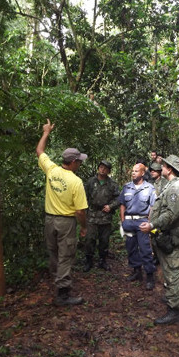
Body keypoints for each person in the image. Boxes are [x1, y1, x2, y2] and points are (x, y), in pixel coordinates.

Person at [36, 119, 88, 306]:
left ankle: (57, 282)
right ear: (73, 162)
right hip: (66, 223)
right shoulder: (76, 182)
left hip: (49, 220)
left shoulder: (51, 170)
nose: (80, 164)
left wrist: (46, 133)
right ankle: (63, 294)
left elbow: (40, 152)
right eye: (79, 162)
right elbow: (80, 211)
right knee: (66, 255)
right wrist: (83, 227)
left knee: (54, 253)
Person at [140, 155, 179, 325]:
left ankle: (175, 309)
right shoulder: (174, 185)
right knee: (172, 271)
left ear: (169, 169)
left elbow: (171, 214)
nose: (160, 168)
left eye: (163, 166)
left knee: (173, 272)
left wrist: (152, 224)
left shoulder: (177, 187)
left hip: (172, 236)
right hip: (169, 236)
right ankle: (175, 299)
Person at [119, 163, 157, 290]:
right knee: (131, 248)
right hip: (129, 221)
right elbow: (122, 205)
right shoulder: (126, 187)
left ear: (142, 173)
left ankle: (150, 276)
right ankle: (137, 272)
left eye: (136, 171)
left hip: (142, 222)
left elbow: (152, 207)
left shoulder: (149, 188)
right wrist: (123, 221)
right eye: (133, 171)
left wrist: (149, 223)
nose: (133, 173)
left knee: (145, 249)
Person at [83, 160, 120, 272]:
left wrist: (111, 206)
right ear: (98, 168)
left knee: (104, 240)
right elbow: (84, 197)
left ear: (109, 171)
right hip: (92, 215)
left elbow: (118, 199)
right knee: (90, 239)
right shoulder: (90, 182)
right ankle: (88, 260)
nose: (102, 169)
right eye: (101, 167)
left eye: (105, 168)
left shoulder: (112, 184)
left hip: (105, 216)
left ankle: (102, 260)